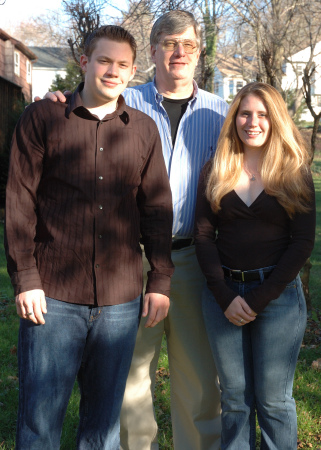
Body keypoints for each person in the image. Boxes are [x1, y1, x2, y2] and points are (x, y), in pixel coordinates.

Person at [41, 10, 228, 450]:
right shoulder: (127, 102)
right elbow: (81, 107)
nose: (179, 52)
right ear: (153, 50)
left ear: (199, 53)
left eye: (188, 44)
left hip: (196, 259)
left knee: (200, 380)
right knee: (128, 379)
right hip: (131, 261)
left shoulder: (223, 114)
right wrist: (56, 100)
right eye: (169, 43)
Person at [5, 25, 174, 449]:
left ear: (134, 70)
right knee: (40, 422)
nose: (112, 71)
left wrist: (160, 280)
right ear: (84, 62)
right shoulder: (43, 117)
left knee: (102, 430)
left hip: (119, 301)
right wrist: (25, 277)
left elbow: (156, 209)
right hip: (53, 299)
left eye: (122, 65)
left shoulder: (144, 130)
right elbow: (19, 201)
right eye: (104, 60)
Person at [194, 82, 316, 449]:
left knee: (274, 401)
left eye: (262, 114)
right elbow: (202, 236)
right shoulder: (216, 168)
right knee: (234, 399)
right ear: (234, 118)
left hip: (278, 300)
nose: (253, 122)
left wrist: (260, 298)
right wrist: (224, 296)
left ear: (275, 119)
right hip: (224, 297)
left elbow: (302, 243)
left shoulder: (294, 171)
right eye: (245, 113)